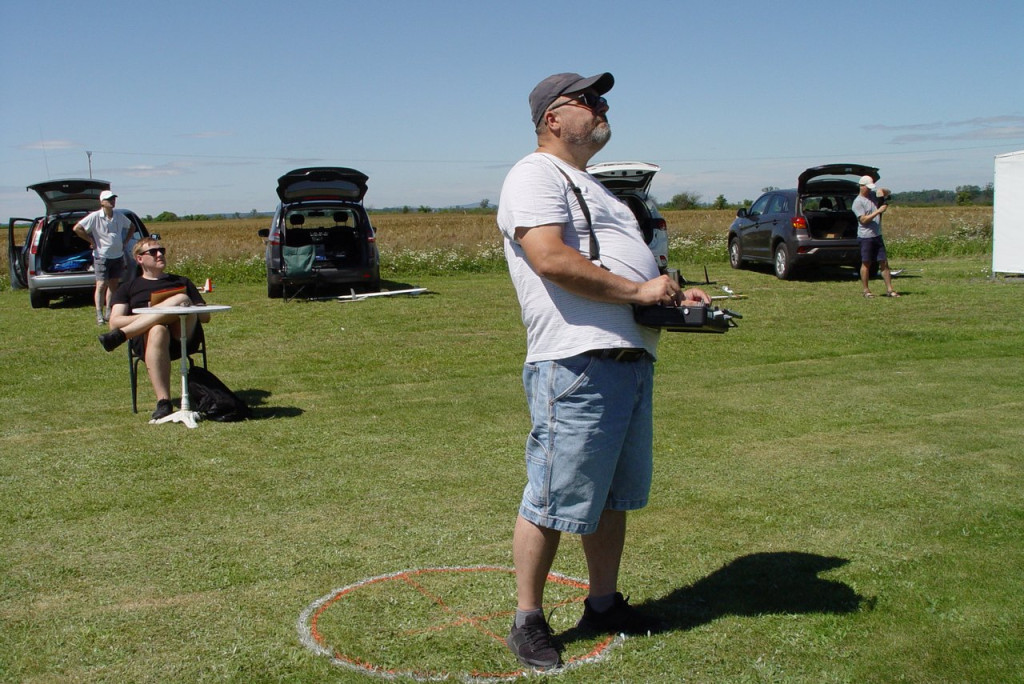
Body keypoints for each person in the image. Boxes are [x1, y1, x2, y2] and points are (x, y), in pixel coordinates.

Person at [496, 71, 710, 670]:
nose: (602, 107)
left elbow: (631, 269)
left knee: (610, 495)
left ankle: (605, 603)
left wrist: (673, 295)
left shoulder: (595, 186)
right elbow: (550, 257)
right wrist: (638, 293)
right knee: (554, 494)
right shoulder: (535, 173)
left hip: (628, 356)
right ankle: (527, 620)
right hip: (576, 358)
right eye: (588, 101)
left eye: (602, 99)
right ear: (553, 119)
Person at [98, 237, 210, 420]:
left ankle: (122, 336)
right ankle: (163, 402)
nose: (160, 255)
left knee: (181, 298)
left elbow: (205, 317)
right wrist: (154, 317)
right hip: (148, 342)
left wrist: (180, 306)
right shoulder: (128, 287)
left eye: (162, 251)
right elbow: (114, 322)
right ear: (139, 258)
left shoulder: (182, 281)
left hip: (183, 337)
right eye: (153, 252)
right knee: (158, 329)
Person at [73, 190, 134, 325]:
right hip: (102, 256)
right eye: (108, 199)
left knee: (113, 285)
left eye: (113, 199)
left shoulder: (119, 216)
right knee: (101, 285)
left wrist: (125, 242)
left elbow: (131, 227)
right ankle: (99, 314)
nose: (112, 201)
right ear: (102, 202)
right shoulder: (95, 216)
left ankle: (109, 311)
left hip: (118, 255)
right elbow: (77, 228)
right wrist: (91, 241)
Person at [853, 175, 899, 298]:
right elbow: (863, 220)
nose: (869, 190)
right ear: (861, 187)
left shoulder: (873, 196)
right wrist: (878, 211)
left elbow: (888, 193)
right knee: (866, 263)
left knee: (884, 262)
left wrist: (882, 191)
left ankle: (890, 290)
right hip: (865, 237)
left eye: (870, 188)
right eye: (867, 188)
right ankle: (866, 290)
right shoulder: (858, 202)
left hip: (877, 235)